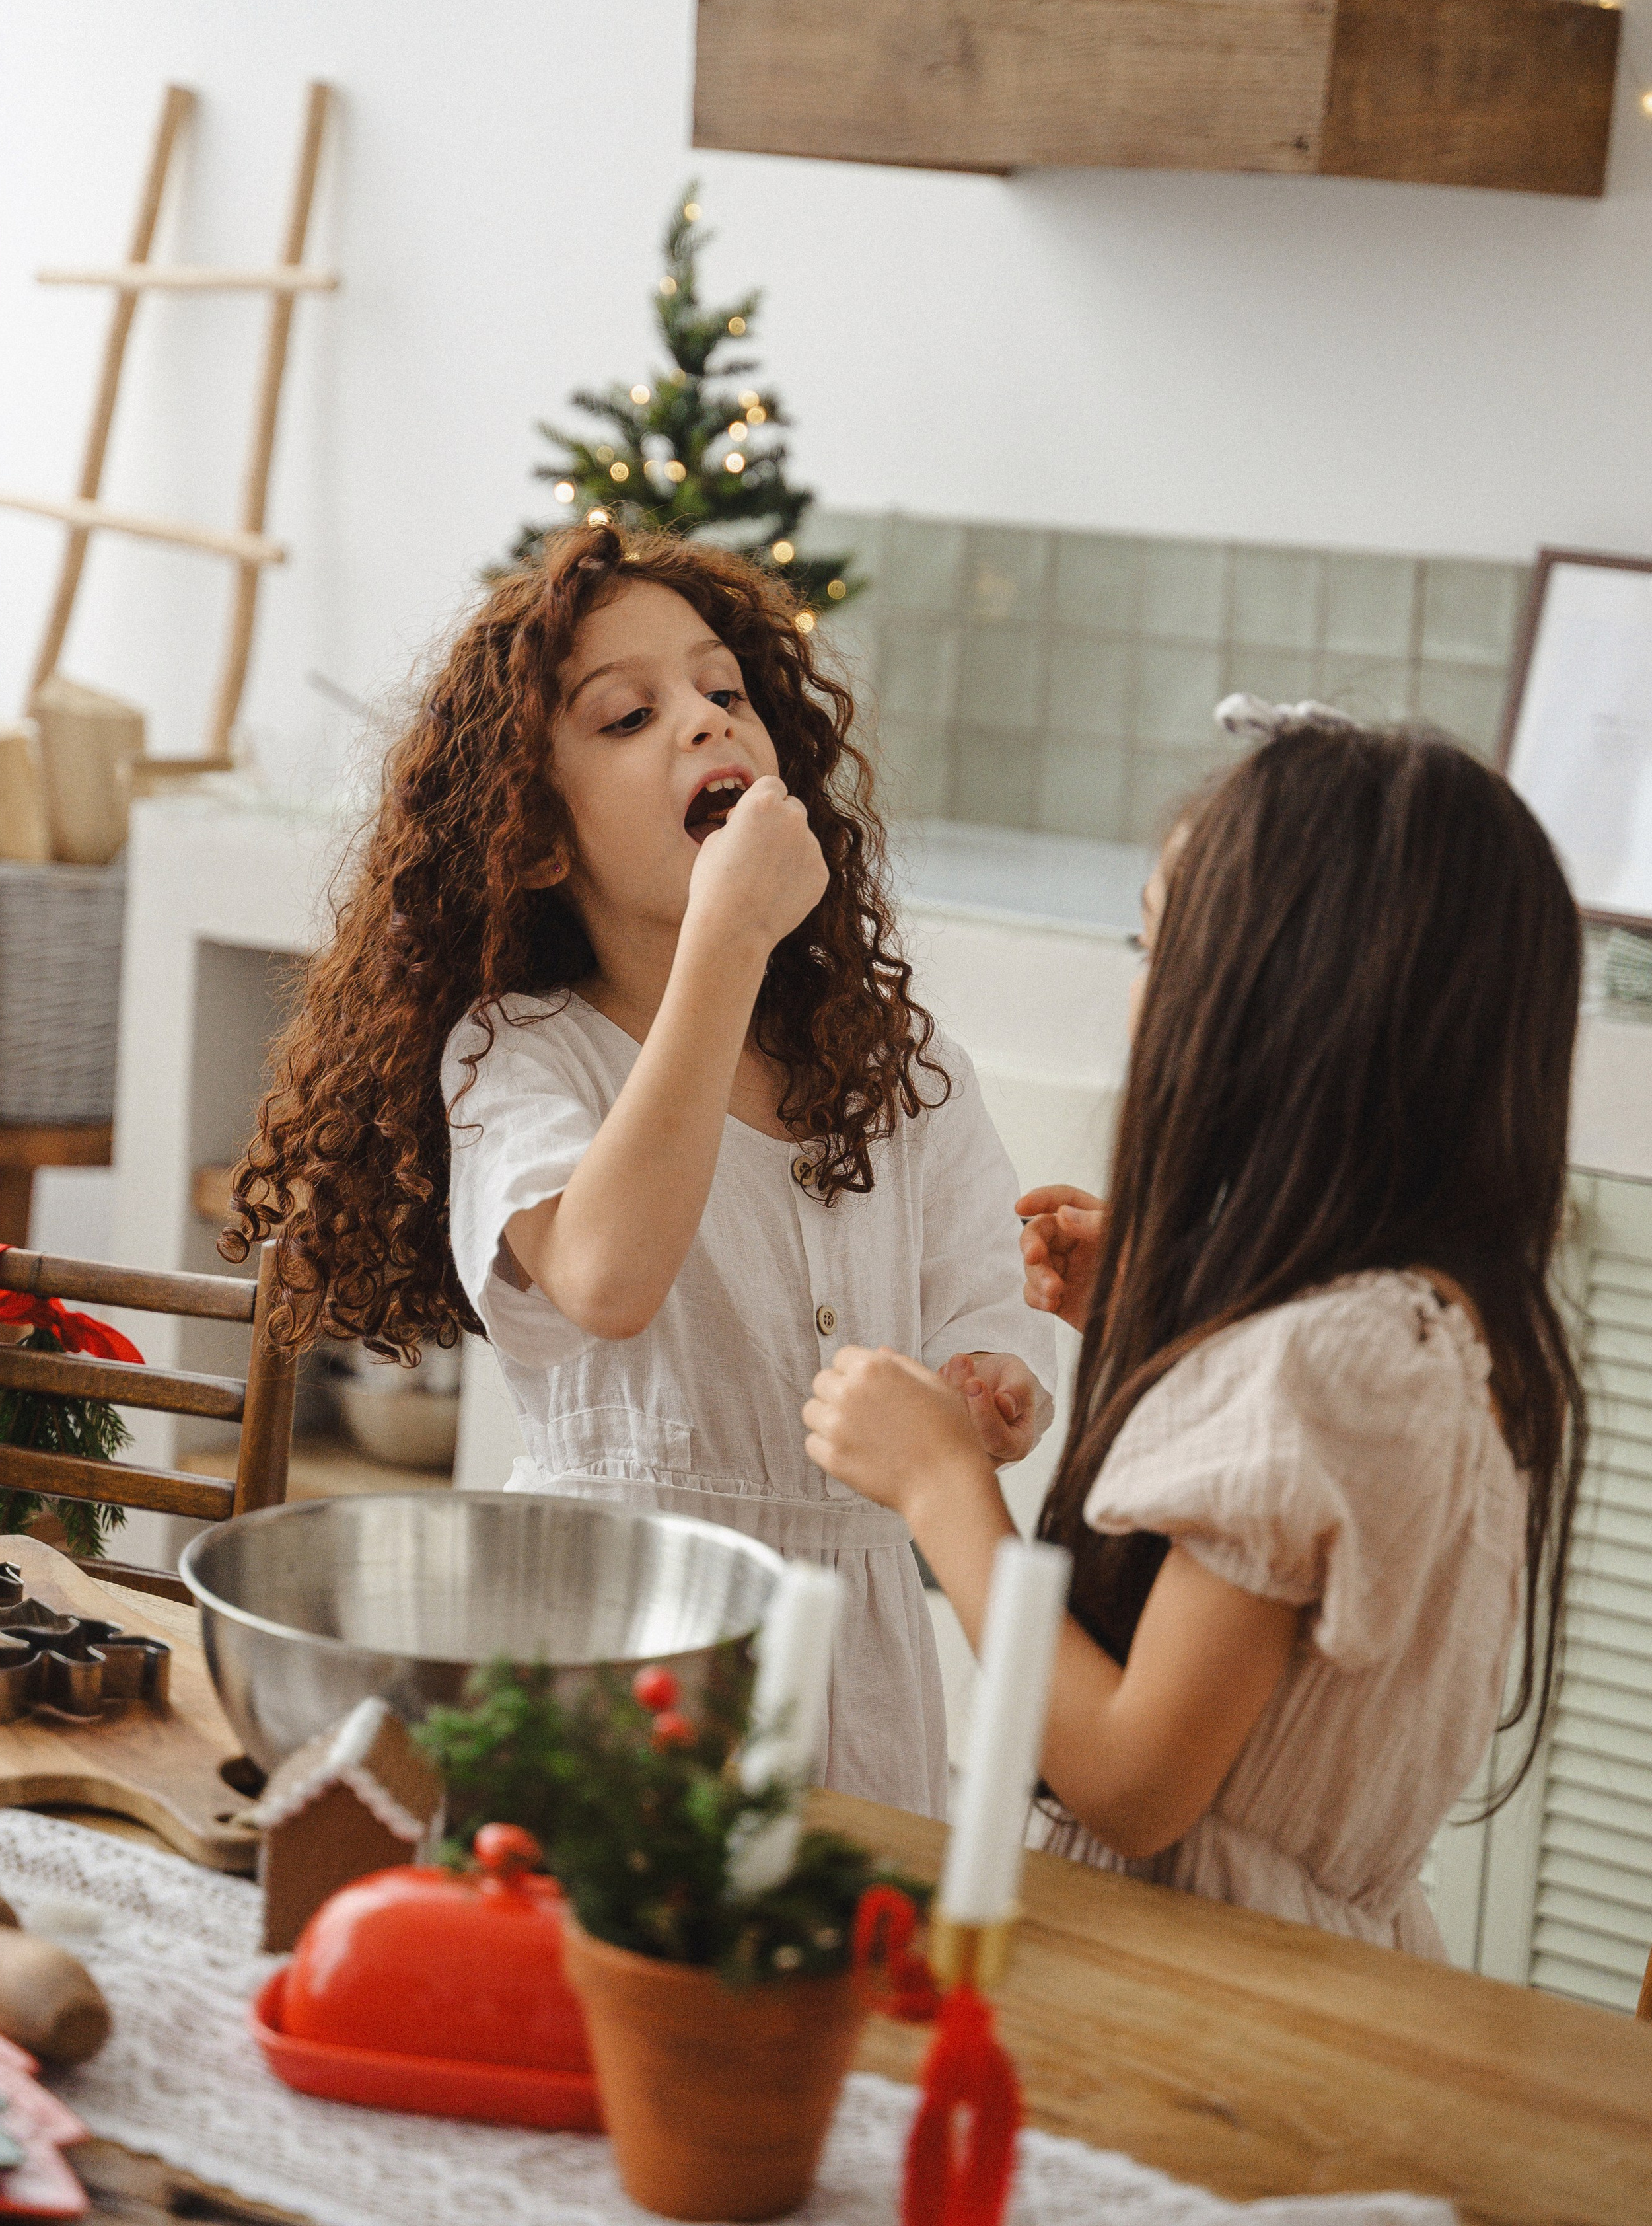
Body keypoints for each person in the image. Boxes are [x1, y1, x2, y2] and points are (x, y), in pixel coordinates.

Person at [223, 519, 1054, 1818]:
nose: (702, 721)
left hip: (860, 1669)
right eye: (627, 716)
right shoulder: (519, 1055)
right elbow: (604, 1275)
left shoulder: (902, 1064)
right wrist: (723, 945)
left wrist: (991, 1380)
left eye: (724, 691)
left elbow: (979, 1293)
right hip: (613, 1650)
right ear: (538, 838)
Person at [802, 709, 1585, 1953]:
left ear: (1292, 1016)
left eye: (1160, 949)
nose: (1139, 996)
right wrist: (1171, 1327)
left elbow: (1130, 1777)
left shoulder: (1328, 1366)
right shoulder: (1433, 1322)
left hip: (1203, 1974)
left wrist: (939, 1485)